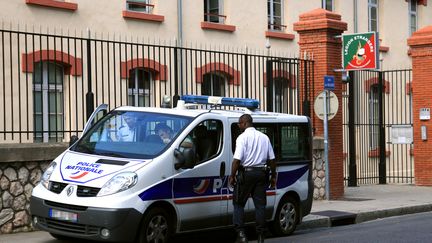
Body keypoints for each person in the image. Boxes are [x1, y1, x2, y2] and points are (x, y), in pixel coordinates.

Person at [228, 114, 276, 243]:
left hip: (246, 174)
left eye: (239, 123)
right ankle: (261, 235)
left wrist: (232, 176)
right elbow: (272, 160)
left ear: (244, 123)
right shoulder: (264, 137)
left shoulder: (242, 138)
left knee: (238, 204)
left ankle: (241, 234)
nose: (238, 126)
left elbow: (237, 160)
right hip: (261, 174)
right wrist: (273, 176)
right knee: (260, 206)